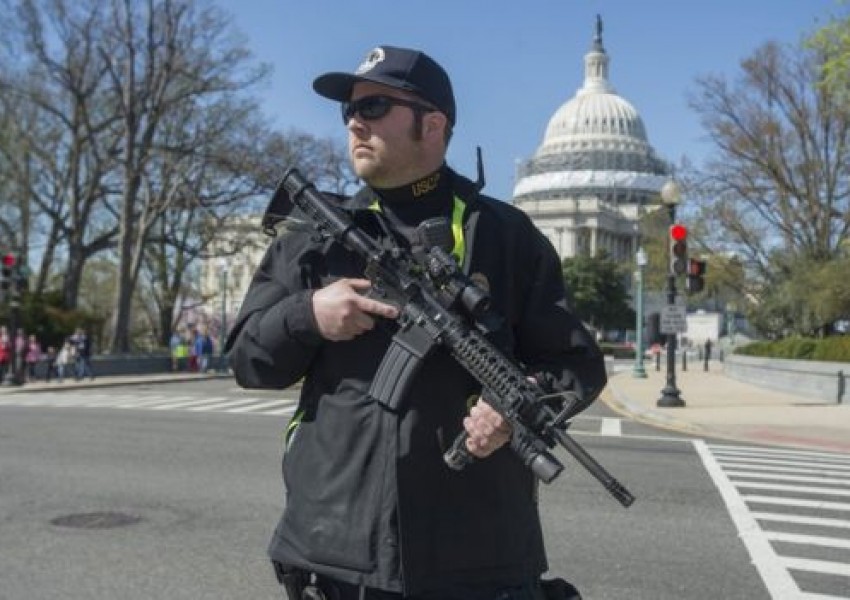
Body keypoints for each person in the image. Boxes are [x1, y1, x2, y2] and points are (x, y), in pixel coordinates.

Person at [226, 45, 607, 600]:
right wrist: (307, 315)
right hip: (333, 552)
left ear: (433, 123)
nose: (356, 121)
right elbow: (246, 361)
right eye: (349, 111)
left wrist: (516, 403)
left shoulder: (507, 235)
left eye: (376, 106)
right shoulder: (312, 240)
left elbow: (576, 364)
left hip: (477, 557)